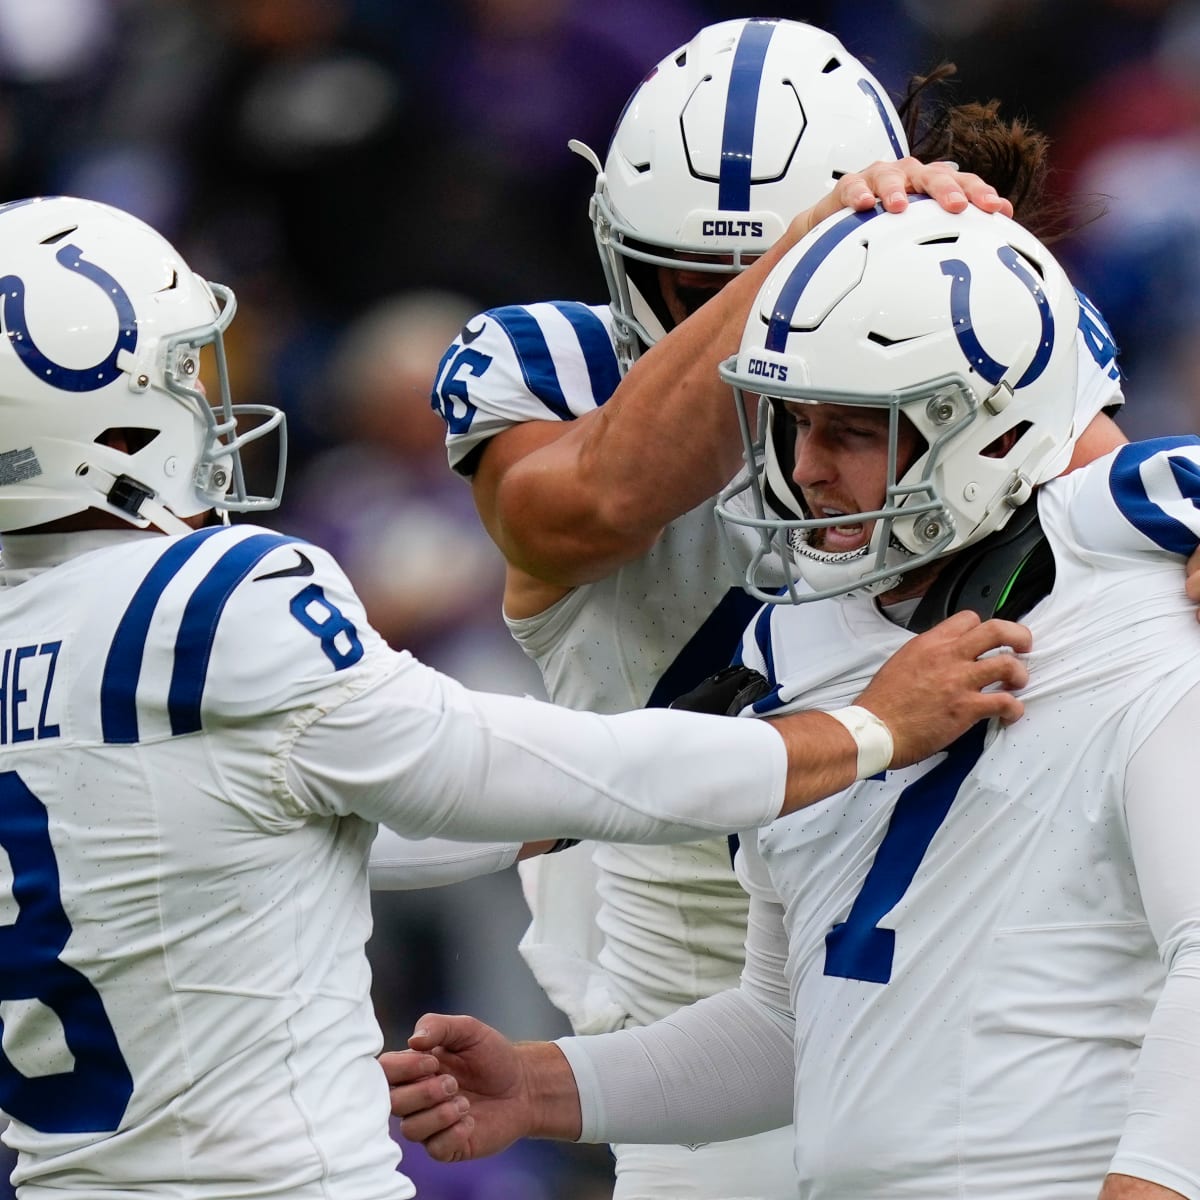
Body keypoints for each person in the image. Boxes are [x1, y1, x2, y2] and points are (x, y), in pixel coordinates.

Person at [0, 195, 1031, 1200]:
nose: (206, 396)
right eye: (183, 370)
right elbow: (480, 767)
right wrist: (864, 728)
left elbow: (264, 826)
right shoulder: (209, 598)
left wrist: (545, 833)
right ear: (116, 420)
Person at [428, 16, 1132, 1199]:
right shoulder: (549, 367)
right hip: (693, 998)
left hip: (967, 984)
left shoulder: (971, 333)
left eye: (762, 281)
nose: (749, 317)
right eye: (697, 286)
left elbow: (1102, 497)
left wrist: (1180, 503)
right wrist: (807, 257)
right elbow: (580, 512)